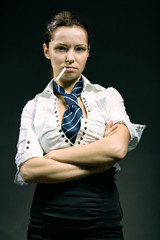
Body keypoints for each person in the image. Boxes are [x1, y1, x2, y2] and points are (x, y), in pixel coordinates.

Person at [15, 11, 145, 240]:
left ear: (88, 52)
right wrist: (99, 163)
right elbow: (28, 170)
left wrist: (52, 156)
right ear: (47, 51)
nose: (70, 58)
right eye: (62, 48)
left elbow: (116, 149)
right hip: (45, 224)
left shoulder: (108, 97)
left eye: (79, 49)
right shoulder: (33, 107)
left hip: (102, 221)